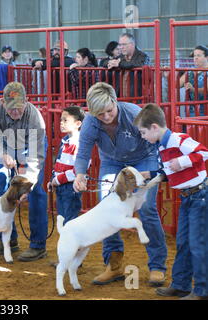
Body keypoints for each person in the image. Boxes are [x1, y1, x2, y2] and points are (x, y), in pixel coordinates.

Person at [73, 82, 167, 286]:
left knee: (147, 209)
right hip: (111, 162)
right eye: (99, 114)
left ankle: (157, 266)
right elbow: (83, 151)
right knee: (108, 210)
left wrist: (153, 170)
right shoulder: (90, 123)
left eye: (109, 110)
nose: (106, 117)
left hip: (145, 158)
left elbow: (156, 139)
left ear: (115, 102)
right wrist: (80, 174)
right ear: (91, 111)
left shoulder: (134, 113)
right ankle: (114, 265)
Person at [134, 103, 208, 300]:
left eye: (143, 132)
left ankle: (202, 290)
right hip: (187, 198)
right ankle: (181, 285)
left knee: (198, 244)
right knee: (183, 242)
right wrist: (147, 176)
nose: (143, 137)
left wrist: (181, 162)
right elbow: (168, 173)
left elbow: (203, 152)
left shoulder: (178, 139)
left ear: (154, 127)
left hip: (200, 196)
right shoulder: (162, 146)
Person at [0, 82, 48, 262]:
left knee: (36, 193)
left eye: (19, 109)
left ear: (27, 102)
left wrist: (27, 183)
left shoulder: (35, 118)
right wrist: (3, 155)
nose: (15, 113)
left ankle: (38, 245)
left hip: (30, 150)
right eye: (11, 109)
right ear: (3, 103)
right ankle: (8, 240)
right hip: (5, 148)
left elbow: (36, 156)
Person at [47, 106, 86, 225]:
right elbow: (58, 163)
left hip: (71, 187)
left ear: (78, 123)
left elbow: (78, 170)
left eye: (65, 120)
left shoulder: (80, 143)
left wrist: (57, 180)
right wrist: (53, 179)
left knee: (69, 222)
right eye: (61, 120)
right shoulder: (65, 141)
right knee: (63, 220)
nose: (61, 123)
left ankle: (75, 243)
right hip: (61, 186)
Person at [107, 33, 150, 98]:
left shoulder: (143, 56)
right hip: (120, 97)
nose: (121, 47)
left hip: (138, 97)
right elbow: (104, 63)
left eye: (124, 44)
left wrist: (119, 64)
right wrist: (111, 62)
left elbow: (136, 64)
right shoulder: (121, 57)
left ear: (132, 44)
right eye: (120, 45)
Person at [179, 45, 208, 116]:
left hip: (205, 110)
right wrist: (167, 76)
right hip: (190, 110)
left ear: (207, 57)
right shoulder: (190, 71)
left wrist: (193, 89)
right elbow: (177, 84)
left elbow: (206, 89)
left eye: (199, 55)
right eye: (194, 56)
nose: (196, 58)